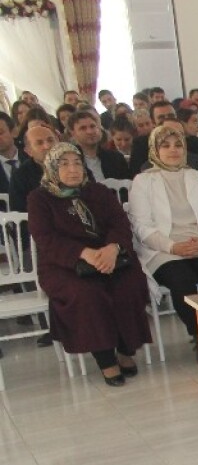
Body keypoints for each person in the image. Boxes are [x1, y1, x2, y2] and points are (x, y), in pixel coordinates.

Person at [27, 143, 151, 386]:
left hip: (110, 256)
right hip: (64, 264)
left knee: (129, 285)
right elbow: (45, 239)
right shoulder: (39, 199)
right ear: (51, 166)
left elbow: (120, 224)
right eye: (64, 164)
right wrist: (83, 253)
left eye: (77, 163)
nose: (72, 169)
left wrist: (111, 248)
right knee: (88, 294)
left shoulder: (98, 192)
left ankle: (126, 350)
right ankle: (106, 359)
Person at [128, 126, 198, 359]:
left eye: (177, 145)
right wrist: (172, 246)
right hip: (164, 248)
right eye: (165, 146)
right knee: (183, 279)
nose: (172, 150)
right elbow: (142, 226)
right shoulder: (143, 181)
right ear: (154, 150)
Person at [69, 109, 130, 182]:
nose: (90, 131)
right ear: (73, 133)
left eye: (92, 126)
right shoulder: (68, 162)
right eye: (83, 128)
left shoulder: (116, 158)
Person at [8, 123, 57, 212]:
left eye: (50, 140)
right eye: (39, 143)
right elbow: (20, 214)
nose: (47, 146)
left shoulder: (74, 164)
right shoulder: (20, 177)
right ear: (28, 151)